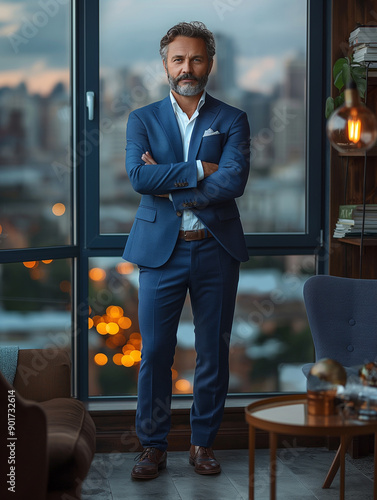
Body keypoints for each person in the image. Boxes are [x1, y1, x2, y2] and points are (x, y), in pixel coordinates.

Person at [123, 21, 250, 480]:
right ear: (165, 65)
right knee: (156, 352)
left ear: (210, 63)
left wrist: (170, 182)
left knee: (212, 353)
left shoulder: (232, 119)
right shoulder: (142, 119)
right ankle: (153, 446)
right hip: (161, 252)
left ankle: (203, 444)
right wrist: (199, 168)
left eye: (196, 58)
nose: (187, 68)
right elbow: (138, 178)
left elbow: (233, 181)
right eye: (178, 59)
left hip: (216, 249)